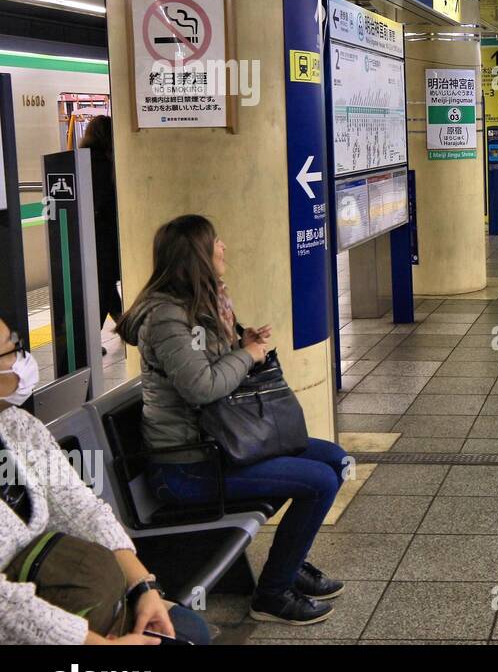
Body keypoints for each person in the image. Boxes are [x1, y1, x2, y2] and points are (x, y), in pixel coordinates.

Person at [117, 215, 347, 626]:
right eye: (216, 242)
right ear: (196, 257)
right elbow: (201, 387)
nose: (224, 248)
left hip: (217, 444)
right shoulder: (169, 319)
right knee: (321, 481)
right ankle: (273, 594)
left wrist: (240, 344)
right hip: (187, 466)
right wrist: (248, 356)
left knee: (334, 458)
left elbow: (204, 370)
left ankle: (290, 565)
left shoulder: (199, 307)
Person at [0, 315, 211, 644]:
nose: (22, 360)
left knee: (190, 630)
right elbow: (5, 609)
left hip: (73, 599)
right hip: (41, 629)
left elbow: (81, 508)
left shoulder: (16, 426)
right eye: (11, 351)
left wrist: (143, 587)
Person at [80, 115, 122, 339]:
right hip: (105, 239)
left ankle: (124, 328)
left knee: (106, 286)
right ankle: (90, 343)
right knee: (105, 288)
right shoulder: (106, 163)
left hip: (89, 239)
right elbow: (107, 203)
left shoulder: (81, 161)